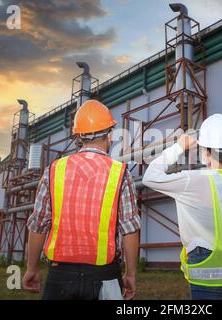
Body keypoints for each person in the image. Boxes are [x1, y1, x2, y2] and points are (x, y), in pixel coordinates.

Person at [22, 100, 141, 300]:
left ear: (78, 136)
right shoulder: (120, 173)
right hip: (105, 276)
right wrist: (131, 273)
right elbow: (130, 230)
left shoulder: (53, 171)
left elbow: (38, 224)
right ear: (110, 135)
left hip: (60, 276)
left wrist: (32, 267)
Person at [142, 113, 222, 300]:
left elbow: (150, 177)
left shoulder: (194, 180)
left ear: (207, 152)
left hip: (209, 280)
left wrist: (179, 146)